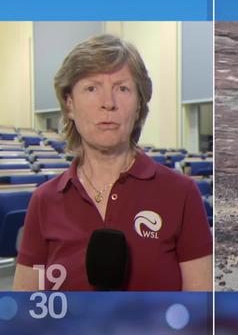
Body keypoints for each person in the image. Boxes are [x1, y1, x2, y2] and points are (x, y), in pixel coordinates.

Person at [13, 34, 213, 291]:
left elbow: (201, 313)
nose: (108, 103)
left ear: (139, 105)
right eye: (92, 88)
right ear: (69, 104)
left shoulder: (181, 193)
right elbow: (28, 313)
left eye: (122, 88)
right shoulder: (44, 200)